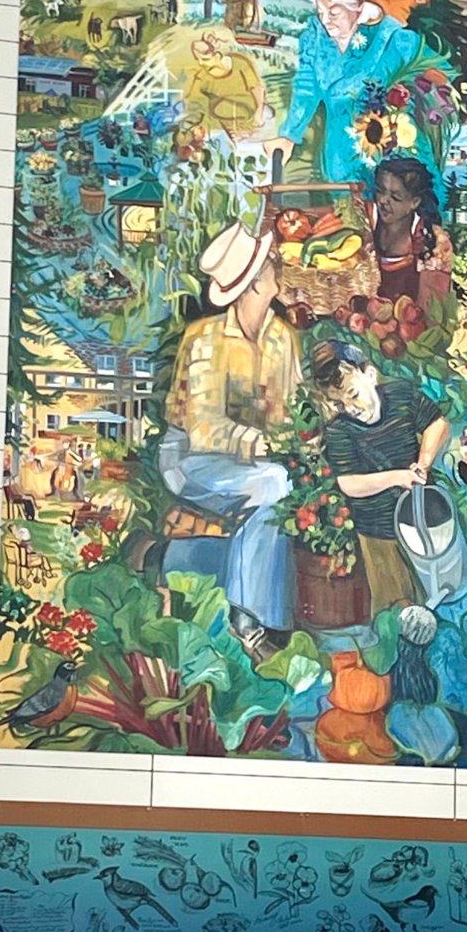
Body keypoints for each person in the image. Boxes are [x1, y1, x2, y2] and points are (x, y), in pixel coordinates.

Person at [158, 224, 303, 639]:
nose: (279, 266)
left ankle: (246, 612)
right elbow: (201, 426)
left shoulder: (282, 338)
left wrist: (295, 437)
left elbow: (289, 412)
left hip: (252, 460)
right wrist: (255, 441)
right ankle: (248, 618)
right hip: (189, 458)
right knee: (273, 483)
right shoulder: (205, 339)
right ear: (254, 283)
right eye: (271, 263)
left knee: (279, 483)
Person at [308, 338, 451, 614]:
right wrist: (397, 477)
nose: (350, 408)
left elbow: (437, 423)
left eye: (353, 394)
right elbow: (349, 483)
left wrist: (423, 461)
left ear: (370, 375)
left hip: (420, 518)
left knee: (435, 596)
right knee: (395, 608)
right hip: (377, 533)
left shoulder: (400, 395)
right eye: (339, 404)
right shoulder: (339, 431)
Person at [281, 0, 423, 185]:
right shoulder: (315, 37)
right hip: (336, 155)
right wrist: (289, 134)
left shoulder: (393, 41)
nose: (326, 19)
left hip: (385, 156)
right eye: (320, 12)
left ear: (359, 8)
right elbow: (306, 87)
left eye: (334, 12)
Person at [366, 154, 453, 319]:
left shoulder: (433, 245)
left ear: (414, 202)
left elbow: (432, 311)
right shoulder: (365, 217)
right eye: (380, 191)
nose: (383, 201)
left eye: (395, 197)